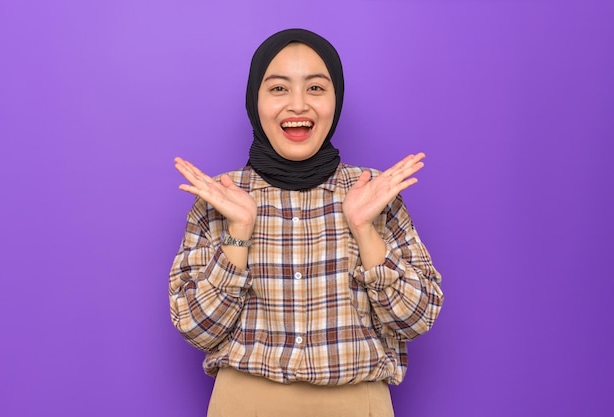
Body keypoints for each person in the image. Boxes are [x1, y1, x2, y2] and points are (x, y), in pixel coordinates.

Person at [169, 28, 443, 417]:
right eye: (278, 88)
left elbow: (416, 319)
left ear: (336, 100)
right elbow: (198, 329)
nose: (298, 104)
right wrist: (239, 231)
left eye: (316, 88)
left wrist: (364, 230)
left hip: (357, 402)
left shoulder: (373, 193)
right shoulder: (222, 198)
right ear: (255, 100)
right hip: (244, 405)